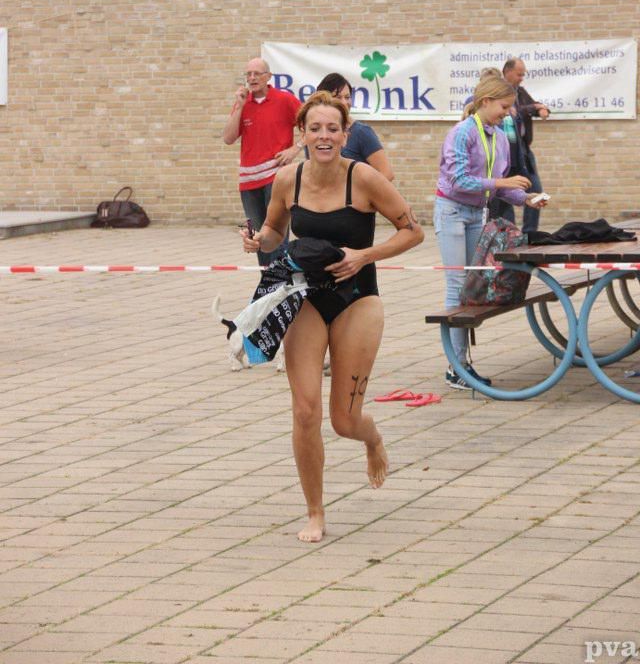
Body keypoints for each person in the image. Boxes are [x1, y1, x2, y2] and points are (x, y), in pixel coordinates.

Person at [240, 90, 423, 542]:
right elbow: (274, 232)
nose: (324, 136)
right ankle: (315, 512)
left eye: (332, 129)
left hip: (358, 297)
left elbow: (413, 231)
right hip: (304, 297)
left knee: (344, 421)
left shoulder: (364, 179)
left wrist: (365, 255)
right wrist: (257, 242)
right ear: (301, 134)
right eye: (315, 128)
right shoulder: (288, 179)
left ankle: (372, 438)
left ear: (345, 134)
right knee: (305, 412)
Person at [434, 74, 546, 390]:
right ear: (485, 102)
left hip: (476, 212)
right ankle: (457, 366)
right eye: (504, 106)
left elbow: (500, 187)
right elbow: (458, 181)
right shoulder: (461, 133)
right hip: (452, 212)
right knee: (457, 284)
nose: (508, 113)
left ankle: (462, 362)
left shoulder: (497, 136)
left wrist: (526, 199)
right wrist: (501, 184)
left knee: (473, 284)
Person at [223, 57, 301, 266]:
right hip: (249, 181)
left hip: (276, 178)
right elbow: (228, 138)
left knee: (277, 233)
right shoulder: (243, 103)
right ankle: (268, 283)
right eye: (248, 74)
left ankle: (282, 283)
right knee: (258, 238)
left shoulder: (285, 100)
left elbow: (310, 125)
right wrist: (239, 106)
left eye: (257, 73)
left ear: (268, 77)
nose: (252, 78)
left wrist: (295, 149)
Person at [316, 73, 395, 181]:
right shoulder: (315, 135)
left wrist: (361, 195)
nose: (344, 102)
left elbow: (387, 174)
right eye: (338, 97)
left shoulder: (361, 132)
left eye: (347, 97)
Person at [503, 58, 550, 233]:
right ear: (507, 72)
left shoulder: (520, 91)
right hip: (506, 151)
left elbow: (531, 105)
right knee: (504, 194)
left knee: (536, 190)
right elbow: (516, 111)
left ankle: (529, 232)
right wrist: (533, 107)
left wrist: (541, 108)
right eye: (519, 74)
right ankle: (509, 234)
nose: (522, 78)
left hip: (523, 150)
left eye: (523, 74)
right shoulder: (500, 91)